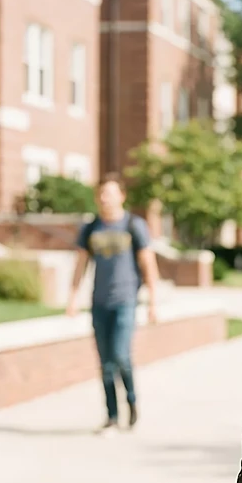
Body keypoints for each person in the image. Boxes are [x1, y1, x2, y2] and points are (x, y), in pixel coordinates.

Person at [66, 173, 159, 434]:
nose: (104, 198)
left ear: (122, 196)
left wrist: (153, 302)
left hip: (125, 302)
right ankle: (112, 416)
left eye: (110, 192)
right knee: (105, 362)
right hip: (99, 303)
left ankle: (131, 399)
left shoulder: (134, 225)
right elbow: (80, 265)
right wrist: (73, 298)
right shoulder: (91, 227)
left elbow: (148, 264)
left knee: (120, 356)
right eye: (101, 193)